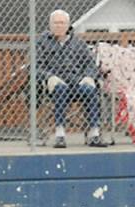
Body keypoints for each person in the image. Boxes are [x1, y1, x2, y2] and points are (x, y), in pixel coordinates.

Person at [36, 9, 109, 148]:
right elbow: (35, 66)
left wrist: (88, 77)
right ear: (50, 25)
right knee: (60, 89)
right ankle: (60, 134)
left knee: (90, 90)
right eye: (56, 23)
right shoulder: (41, 43)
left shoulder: (78, 43)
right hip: (56, 82)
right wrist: (49, 77)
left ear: (68, 25)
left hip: (77, 81)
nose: (59, 26)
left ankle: (94, 134)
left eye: (62, 23)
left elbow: (90, 64)